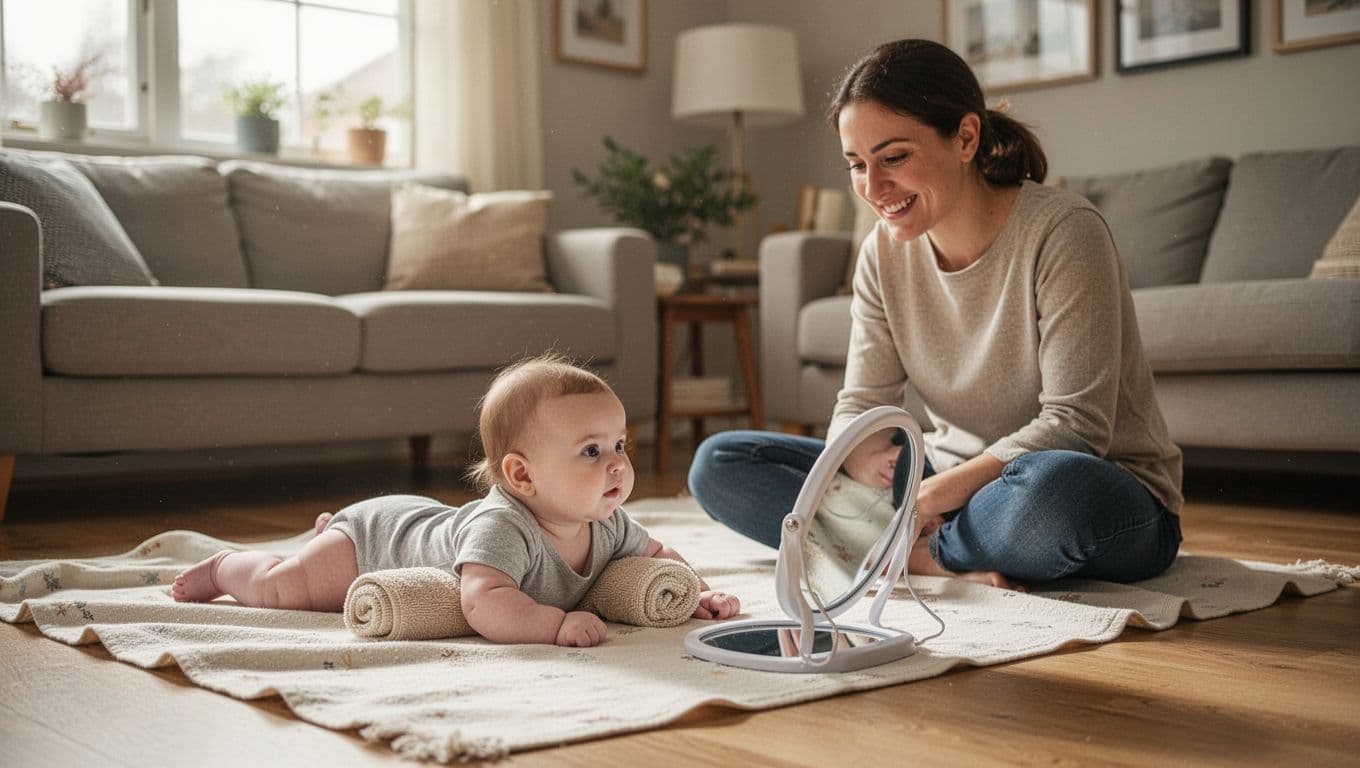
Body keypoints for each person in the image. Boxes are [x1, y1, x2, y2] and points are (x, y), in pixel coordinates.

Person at [688, 39, 1183, 589]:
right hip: (943, 481)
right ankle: (928, 552)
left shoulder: (1064, 231)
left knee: (1052, 498)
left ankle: (899, 549)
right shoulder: (882, 251)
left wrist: (928, 499)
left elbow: (1076, 427)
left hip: (1094, 488)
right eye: (857, 164)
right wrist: (853, 458)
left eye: (894, 158)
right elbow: (863, 402)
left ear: (966, 137)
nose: (873, 189)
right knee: (721, 462)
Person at [173, 354, 740, 647]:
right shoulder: (503, 528)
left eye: (619, 444)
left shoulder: (607, 520)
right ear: (521, 475)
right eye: (591, 451)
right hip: (376, 541)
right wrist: (553, 625)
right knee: (284, 590)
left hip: (419, 518)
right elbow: (483, 602)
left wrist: (697, 591)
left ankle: (319, 533)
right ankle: (229, 567)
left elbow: (658, 554)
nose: (617, 463)